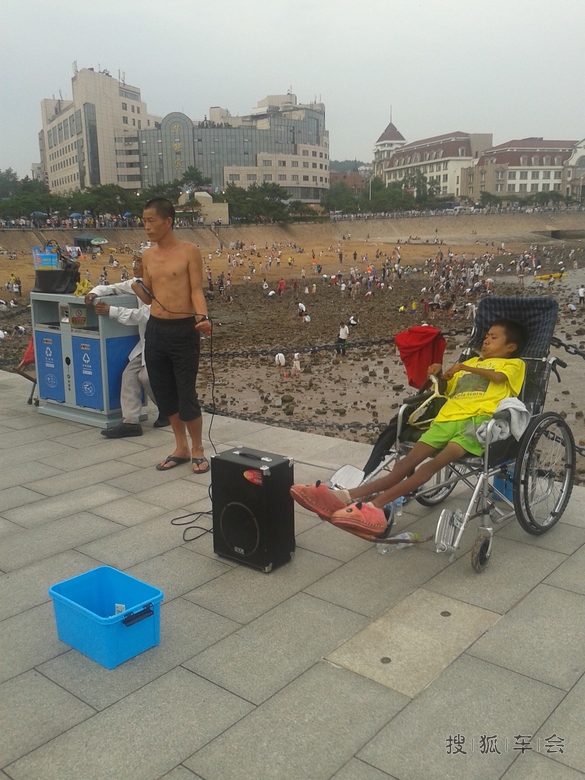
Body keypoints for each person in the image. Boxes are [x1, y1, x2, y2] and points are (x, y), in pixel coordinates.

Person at [291, 318, 526, 537]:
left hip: (475, 423)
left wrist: (465, 368)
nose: (486, 340)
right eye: (486, 335)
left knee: (432, 465)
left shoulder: (514, 364)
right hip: (446, 418)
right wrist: (439, 375)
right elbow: (445, 390)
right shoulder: (471, 362)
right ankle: (343, 496)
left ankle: (375, 506)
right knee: (404, 465)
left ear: (510, 347)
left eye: (494, 337)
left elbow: (497, 378)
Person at [132, 198, 212, 473]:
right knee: (164, 390)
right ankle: (181, 447)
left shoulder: (189, 251)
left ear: (168, 222)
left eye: (151, 220)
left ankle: (198, 448)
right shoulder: (147, 255)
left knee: (185, 392)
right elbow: (148, 297)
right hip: (156, 329)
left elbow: (196, 290)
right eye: (144, 221)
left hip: (183, 329)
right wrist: (136, 282)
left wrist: (203, 318)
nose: (147, 226)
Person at [84, 258, 168, 438]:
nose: (134, 266)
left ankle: (169, 410)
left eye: (139, 263)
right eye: (134, 262)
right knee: (129, 375)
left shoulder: (162, 287)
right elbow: (114, 288)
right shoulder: (137, 284)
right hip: (146, 344)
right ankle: (131, 422)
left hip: (161, 343)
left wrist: (111, 311)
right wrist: (94, 292)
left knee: (146, 377)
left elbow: (145, 315)